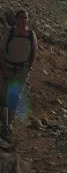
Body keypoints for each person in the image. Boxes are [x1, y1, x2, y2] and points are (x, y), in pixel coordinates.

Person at [0, 9, 37, 137]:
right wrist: (2, 66)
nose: (23, 20)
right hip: (7, 68)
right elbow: (1, 50)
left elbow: (33, 52)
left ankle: (8, 123)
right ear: (16, 19)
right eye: (21, 17)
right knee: (3, 96)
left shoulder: (31, 34)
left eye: (26, 17)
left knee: (15, 97)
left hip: (22, 70)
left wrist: (29, 67)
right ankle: (4, 122)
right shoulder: (9, 33)